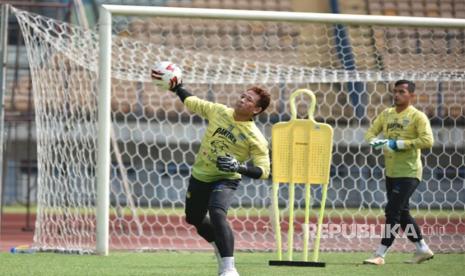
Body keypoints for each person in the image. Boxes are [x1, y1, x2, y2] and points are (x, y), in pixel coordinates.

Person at [152, 72, 271, 276]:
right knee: (194, 219)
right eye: (242, 96)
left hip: (227, 179)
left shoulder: (256, 137)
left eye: (248, 99)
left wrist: (239, 167)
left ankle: (228, 267)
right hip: (201, 175)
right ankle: (219, 245)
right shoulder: (219, 112)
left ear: (257, 109)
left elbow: (264, 171)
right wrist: (177, 87)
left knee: (217, 213)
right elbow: (193, 102)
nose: (242, 100)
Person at [363, 80, 434, 265]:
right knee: (402, 213)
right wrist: (378, 143)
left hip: (409, 172)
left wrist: (400, 144)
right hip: (391, 172)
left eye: (401, 92)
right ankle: (422, 248)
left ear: (411, 95)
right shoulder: (386, 114)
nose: (396, 95)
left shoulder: (417, 116)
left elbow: (427, 140)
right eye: (395, 91)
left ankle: (380, 254)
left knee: (392, 211)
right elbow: (370, 134)